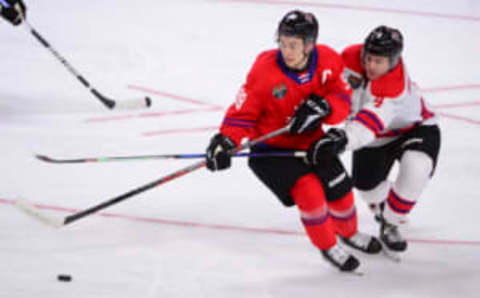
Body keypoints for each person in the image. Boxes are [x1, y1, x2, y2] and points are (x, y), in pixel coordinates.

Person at [205, 10, 381, 273]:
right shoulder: (265, 70)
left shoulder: (329, 60)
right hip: (271, 151)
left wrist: (325, 106)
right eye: (283, 43)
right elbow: (244, 110)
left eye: (294, 45)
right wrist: (225, 140)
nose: (286, 50)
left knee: (341, 192)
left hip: (313, 143)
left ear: (309, 45)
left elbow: (343, 99)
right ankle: (329, 245)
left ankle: (349, 233)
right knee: (310, 193)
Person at [309, 25, 441, 253]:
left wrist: (342, 138)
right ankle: (387, 205)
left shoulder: (393, 87)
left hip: (415, 129)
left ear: (393, 61)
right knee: (366, 188)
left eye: (378, 61)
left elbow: (369, 122)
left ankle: (391, 222)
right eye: (368, 58)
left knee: (416, 168)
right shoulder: (350, 57)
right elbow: (329, 82)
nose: (371, 65)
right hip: (376, 138)